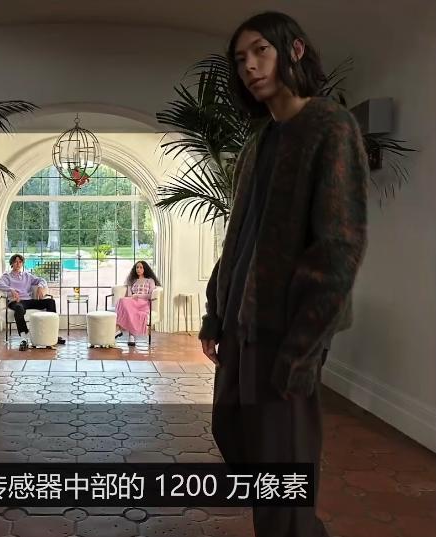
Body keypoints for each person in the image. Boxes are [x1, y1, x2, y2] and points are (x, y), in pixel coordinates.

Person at [198, 12, 368, 537]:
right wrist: (215, 314)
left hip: (286, 330)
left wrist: (302, 347)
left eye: (260, 51)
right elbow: (238, 236)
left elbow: (339, 246)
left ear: (294, 50)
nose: (249, 66)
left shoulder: (330, 126)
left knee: (282, 470)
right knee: (235, 436)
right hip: (241, 326)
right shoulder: (259, 143)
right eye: (240, 59)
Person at [0, 254, 66, 350]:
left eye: (20, 262)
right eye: (15, 262)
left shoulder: (27, 275)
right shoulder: (7, 276)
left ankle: (52, 335)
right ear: (12, 263)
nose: (18, 264)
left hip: (28, 301)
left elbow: (42, 280)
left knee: (50, 302)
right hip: (16, 301)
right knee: (19, 308)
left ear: (22, 263)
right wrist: (11, 289)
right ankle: (24, 338)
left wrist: (40, 286)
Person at [115, 261, 161, 346]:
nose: (138, 269)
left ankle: (120, 330)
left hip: (143, 303)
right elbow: (129, 295)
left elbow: (150, 295)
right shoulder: (133, 281)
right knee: (122, 301)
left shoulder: (150, 280)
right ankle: (129, 335)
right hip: (133, 302)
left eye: (141, 267)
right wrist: (130, 289)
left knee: (122, 301)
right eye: (137, 267)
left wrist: (138, 295)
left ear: (145, 269)